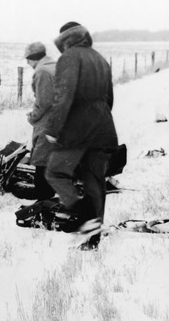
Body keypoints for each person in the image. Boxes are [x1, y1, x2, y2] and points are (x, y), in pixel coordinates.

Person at [44, 22, 118, 250]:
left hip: (78, 129)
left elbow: (63, 96)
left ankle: (85, 217)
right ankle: (93, 238)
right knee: (95, 183)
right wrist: (99, 120)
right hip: (103, 127)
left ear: (65, 39)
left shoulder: (69, 57)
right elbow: (110, 100)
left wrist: (53, 128)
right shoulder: (100, 59)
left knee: (55, 172)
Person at [24, 41, 57, 200]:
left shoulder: (42, 71)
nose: (27, 63)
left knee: (41, 160)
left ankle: (44, 201)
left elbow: (44, 102)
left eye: (27, 59)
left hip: (49, 121)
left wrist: (32, 117)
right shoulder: (55, 65)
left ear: (33, 58)